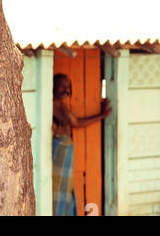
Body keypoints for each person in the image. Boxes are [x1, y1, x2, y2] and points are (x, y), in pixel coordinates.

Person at [52, 73, 112, 216]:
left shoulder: (63, 106)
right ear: (53, 86)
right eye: (62, 86)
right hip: (57, 152)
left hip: (66, 152)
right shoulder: (49, 105)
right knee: (56, 187)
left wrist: (102, 115)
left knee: (66, 187)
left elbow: (77, 122)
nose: (66, 90)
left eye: (68, 86)